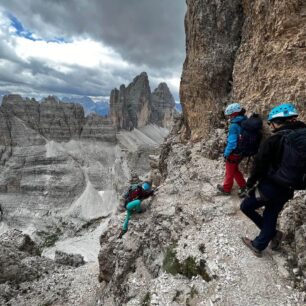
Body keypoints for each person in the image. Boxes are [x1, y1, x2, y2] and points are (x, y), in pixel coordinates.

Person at [240, 103, 306, 257]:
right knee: (271, 213)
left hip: (270, 186)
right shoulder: (303, 136)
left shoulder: (274, 139)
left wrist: (249, 185)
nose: (270, 126)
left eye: (271, 123)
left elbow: (259, 165)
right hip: (290, 187)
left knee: (246, 206)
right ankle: (260, 243)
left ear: (278, 121)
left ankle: (270, 235)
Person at [217, 103, 247, 197]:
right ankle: (243, 186)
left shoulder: (234, 126)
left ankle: (226, 189)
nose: (229, 117)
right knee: (234, 170)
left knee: (229, 171)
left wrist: (226, 153)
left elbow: (232, 143)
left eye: (230, 115)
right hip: (241, 151)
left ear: (234, 114)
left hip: (234, 152)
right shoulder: (244, 120)